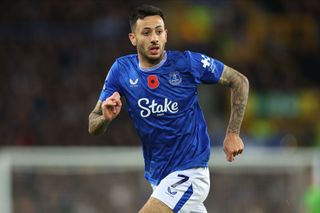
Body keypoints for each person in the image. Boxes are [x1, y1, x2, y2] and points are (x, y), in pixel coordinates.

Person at [88, 4, 249, 213]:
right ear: (133, 38)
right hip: (159, 177)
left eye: (159, 31)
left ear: (166, 35)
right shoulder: (121, 70)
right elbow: (93, 124)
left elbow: (239, 81)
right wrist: (106, 118)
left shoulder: (188, 63)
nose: (154, 37)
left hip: (190, 171)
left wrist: (233, 133)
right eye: (146, 32)